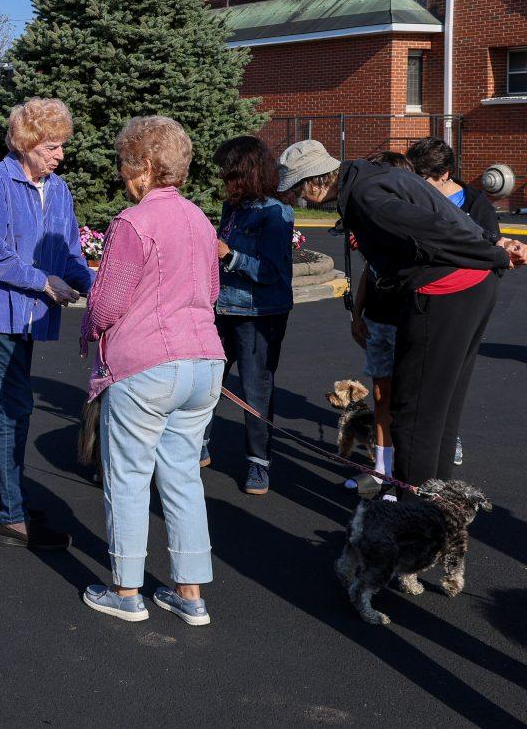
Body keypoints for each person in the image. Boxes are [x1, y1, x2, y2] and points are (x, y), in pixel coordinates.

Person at [277, 139, 525, 491]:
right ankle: (437, 508)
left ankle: (414, 522)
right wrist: (492, 243)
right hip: (471, 288)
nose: (296, 198)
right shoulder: (374, 174)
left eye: (297, 189)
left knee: (412, 415)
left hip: (444, 295)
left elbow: (433, 229)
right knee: (440, 409)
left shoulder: (366, 196)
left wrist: (494, 252)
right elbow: (444, 210)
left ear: (316, 179)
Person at [80, 116, 225, 627]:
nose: (122, 174)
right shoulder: (201, 221)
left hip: (145, 366)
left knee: (128, 477)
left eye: (125, 163)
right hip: (204, 362)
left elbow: (107, 305)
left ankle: (126, 590)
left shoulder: (132, 222)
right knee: (183, 477)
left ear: (144, 166)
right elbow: (210, 292)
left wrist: (89, 331)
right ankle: (190, 593)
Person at [0, 97, 93, 551]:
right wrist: (46, 283)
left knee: (5, 407)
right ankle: (11, 519)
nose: (60, 155)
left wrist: (102, 290)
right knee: (13, 408)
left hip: (29, 314)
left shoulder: (57, 188)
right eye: (52, 147)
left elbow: (71, 252)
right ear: (26, 143)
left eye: (61, 146)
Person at [202, 135, 293, 496]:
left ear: (246, 173)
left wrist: (229, 256)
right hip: (222, 307)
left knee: (256, 389)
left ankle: (259, 464)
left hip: (259, 313)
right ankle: (199, 445)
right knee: (208, 382)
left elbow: (272, 272)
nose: (223, 178)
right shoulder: (233, 208)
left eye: (228, 172)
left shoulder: (275, 212)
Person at [406, 136, 501, 468]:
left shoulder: (475, 206)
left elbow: (491, 254)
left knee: (445, 388)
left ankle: (443, 445)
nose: (418, 186)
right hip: (418, 303)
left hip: (457, 303)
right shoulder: (411, 200)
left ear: (445, 174)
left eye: (425, 179)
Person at [347, 151, 414, 494]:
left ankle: (405, 476)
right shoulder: (373, 223)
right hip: (377, 320)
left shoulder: (415, 224)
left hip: (410, 321)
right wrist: (357, 314)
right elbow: (367, 274)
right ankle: (381, 471)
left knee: (410, 398)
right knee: (380, 395)